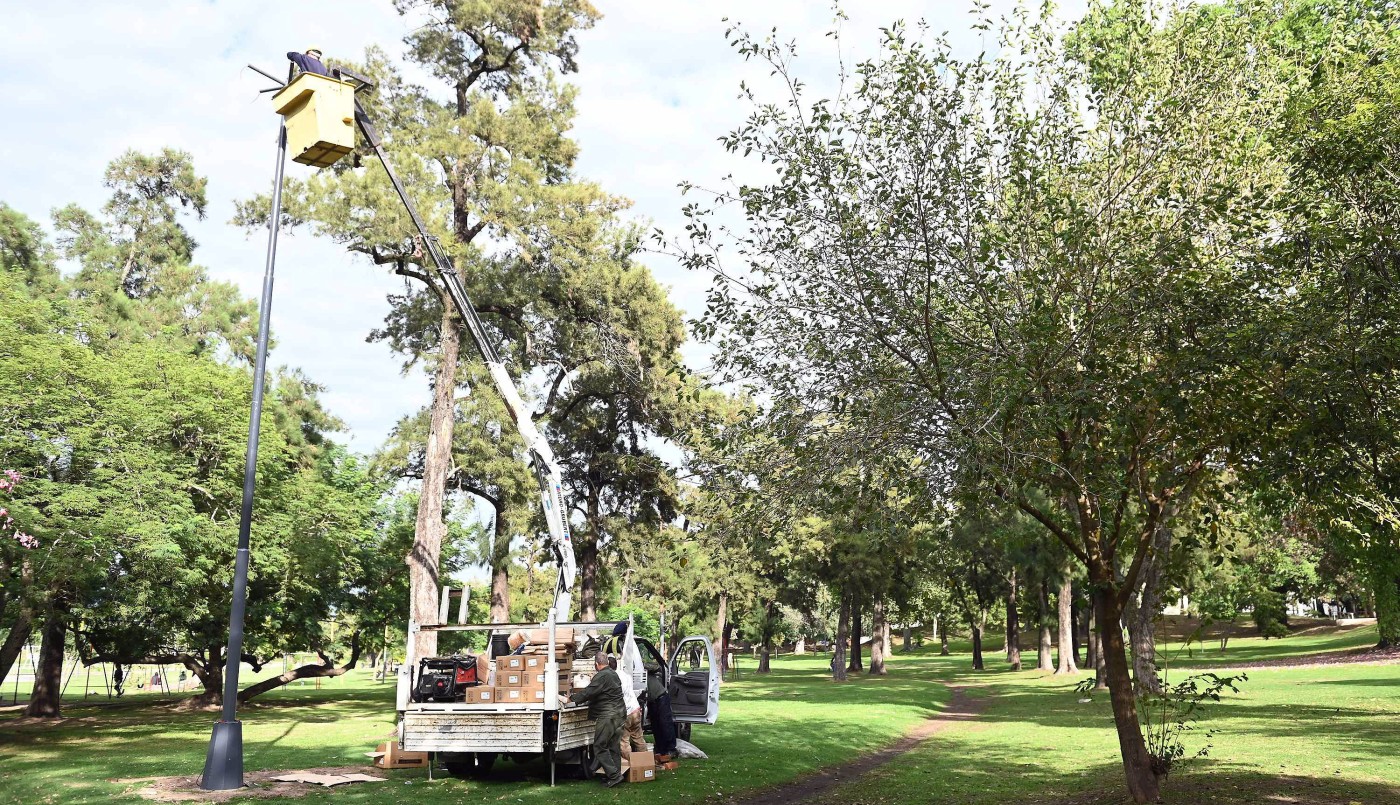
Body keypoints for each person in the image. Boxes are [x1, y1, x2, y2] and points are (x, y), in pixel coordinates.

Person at [569, 652, 626, 787]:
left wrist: (571, 699)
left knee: (599, 746)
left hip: (608, 715)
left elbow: (589, 692)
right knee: (613, 746)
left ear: (596, 664)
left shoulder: (602, 676)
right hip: (620, 713)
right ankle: (615, 775)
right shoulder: (613, 674)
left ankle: (614, 775)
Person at [609, 656, 647, 760]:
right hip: (635, 709)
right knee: (638, 738)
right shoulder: (625, 675)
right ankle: (644, 763)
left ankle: (630, 766)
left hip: (625, 713)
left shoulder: (613, 678)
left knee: (624, 741)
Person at [644, 658, 678, 761]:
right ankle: (661, 749)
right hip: (651, 701)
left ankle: (671, 749)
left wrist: (642, 666)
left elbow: (657, 667)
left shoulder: (646, 669)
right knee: (656, 726)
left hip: (661, 697)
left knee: (665, 724)